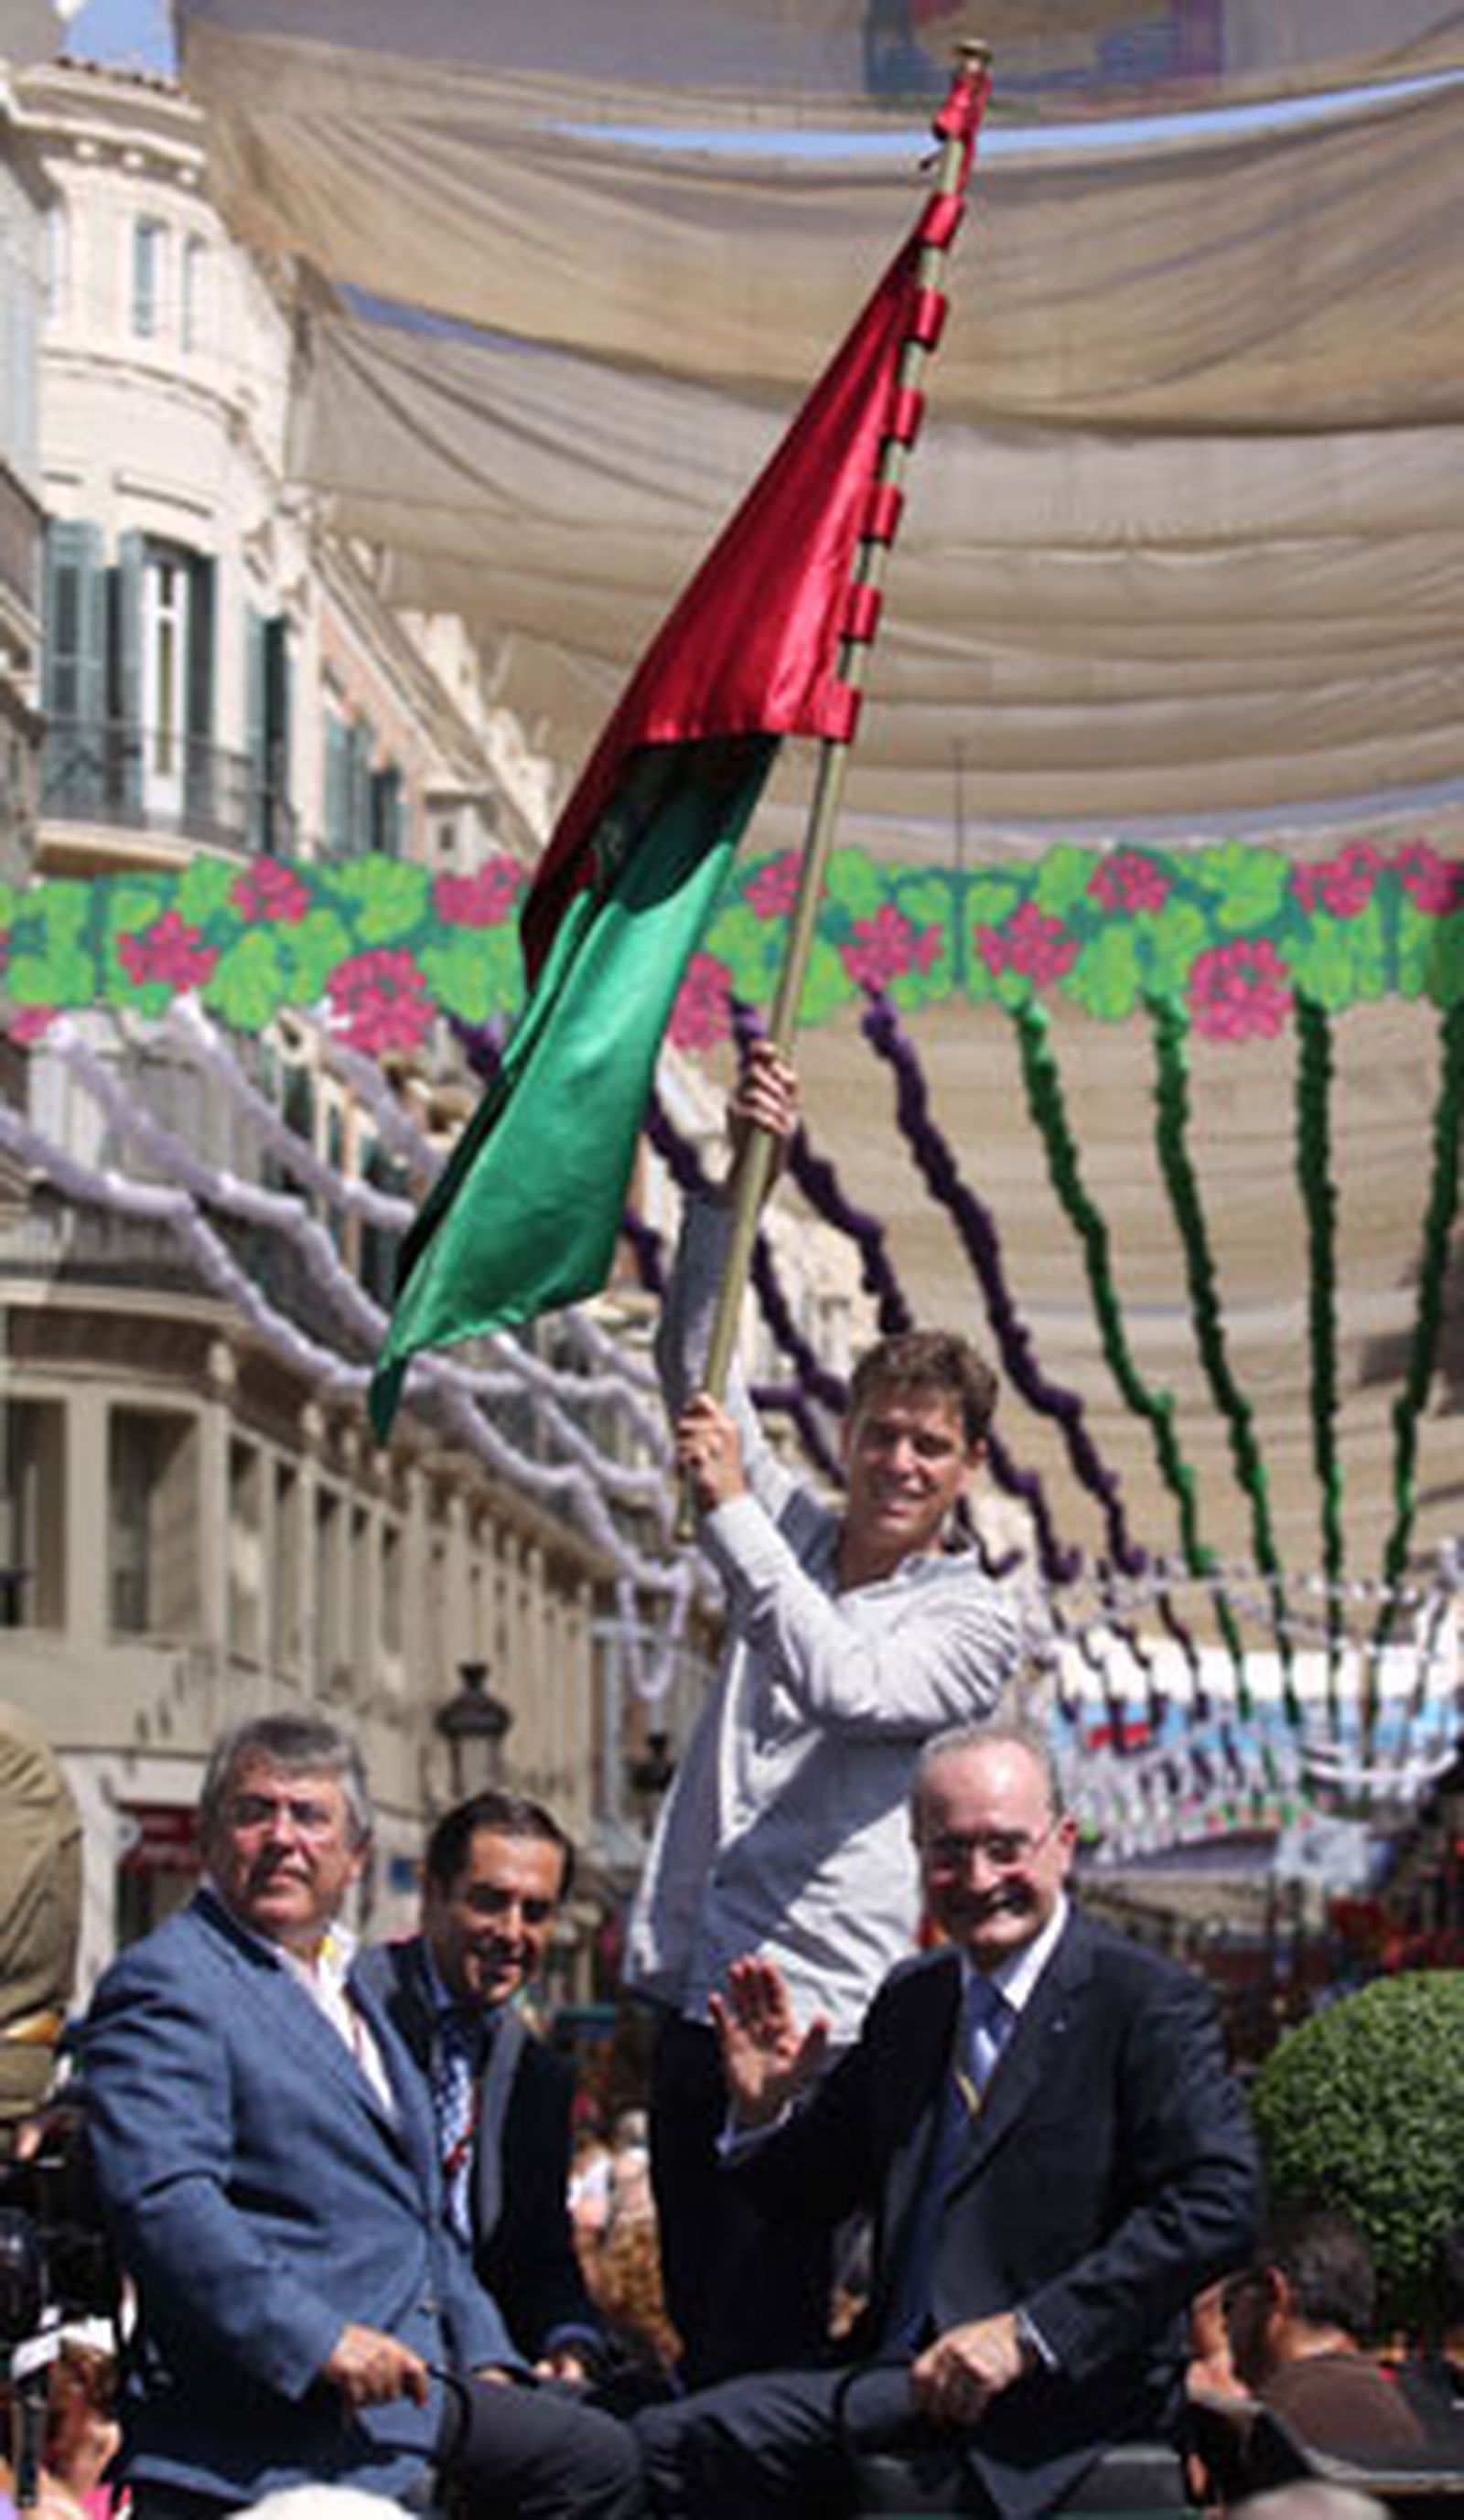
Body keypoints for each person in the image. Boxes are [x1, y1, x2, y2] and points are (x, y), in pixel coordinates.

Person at [627, 1041, 1023, 2380]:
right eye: (882, 1432)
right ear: (849, 1433)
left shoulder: (973, 1619)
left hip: (813, 2026)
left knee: (774, 2328)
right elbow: (702, 1371)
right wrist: (739, 1182)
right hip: (691, 1983)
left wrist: (736, 1510)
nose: (899, 1461)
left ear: (966, 1469)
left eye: (930, 1444)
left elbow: (842, 1681)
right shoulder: (788, 1528)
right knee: (701, 2316)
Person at [635, 1719, 1262, 2519]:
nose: (977, 1876)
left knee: (670, 2447)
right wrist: (763, 2109)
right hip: (886, 2376)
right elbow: (812, 2189)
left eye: (1006, 1847)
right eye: (947, 1851)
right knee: (651, 2431)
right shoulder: (915, 1999)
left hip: (1046, 2408)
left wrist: (1029, 2334)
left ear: (1062, 1843)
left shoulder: (1143, 2000)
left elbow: (1221, 2203)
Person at [82, 1714, 640, 2520]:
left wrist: (490, 2357)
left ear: (355, 1858)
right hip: (279, 2420)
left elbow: (424, 2224)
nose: (283, 1839)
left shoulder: (344, 1989)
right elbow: (167, 2203)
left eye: (310, 1816)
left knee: (638, 2441)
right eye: (255, 1811)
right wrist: (317, 2341)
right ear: (208, 1835)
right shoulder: (170, 1982)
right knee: (599, 2464)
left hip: (410, 2391)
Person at [353, 1787, 608, 2378]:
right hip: (369, 2352)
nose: (512, 1931)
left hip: (486, 2373)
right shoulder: (354, 2011)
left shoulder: (537, 2074)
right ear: (433, 1893)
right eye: (490, 1902)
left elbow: (540, 2255)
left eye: (536, 1911)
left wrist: (569, 2343)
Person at [1223, 2214, 1426, 2458]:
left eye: (1230, 2302)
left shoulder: (1268, 2425)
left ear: (1276, 2293)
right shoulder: (1405, 2410)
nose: (1225, 2325)